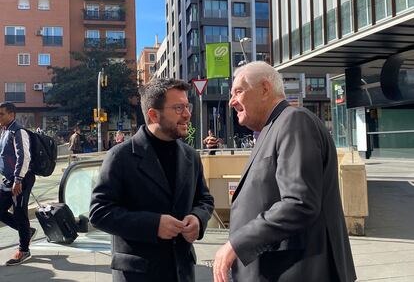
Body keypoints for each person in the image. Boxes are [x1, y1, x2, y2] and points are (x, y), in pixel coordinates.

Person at [213, 61, 356, 282]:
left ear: (265, 89)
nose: (232, 101)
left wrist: (237, 243)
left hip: (298, 271)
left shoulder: (294, 121)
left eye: (238, 91)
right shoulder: (273, 127)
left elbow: (300, 202)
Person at [89, 78, 214, 282]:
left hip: (182, 271)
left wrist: (198, 218)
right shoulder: (120, 156)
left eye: (187, 106)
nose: (187, 114)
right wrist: (153, 224)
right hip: (138, 274)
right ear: (153, 114)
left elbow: (205, 199)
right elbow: (99, 212)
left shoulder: (191, 155)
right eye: (178, 107)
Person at [0, 102, 37, 266]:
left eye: (1, 114)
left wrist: (18, 180)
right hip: (8, 178)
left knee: (20, 212)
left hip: (20, 179)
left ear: (12, 114)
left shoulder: (18, 131)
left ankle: (24, 249)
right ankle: (27, 233)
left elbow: (24, 158)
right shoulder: (5, 131)